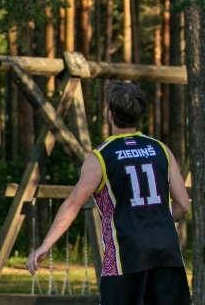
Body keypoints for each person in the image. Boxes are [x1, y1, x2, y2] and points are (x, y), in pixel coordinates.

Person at [27, 82, 191, 305]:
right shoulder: (161, 149)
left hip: (125, 255)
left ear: (110, 114)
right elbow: (183, 205)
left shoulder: (101, 158)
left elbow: (74, 204)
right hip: (167, 252)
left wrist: (46, 244)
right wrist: (155, 219)